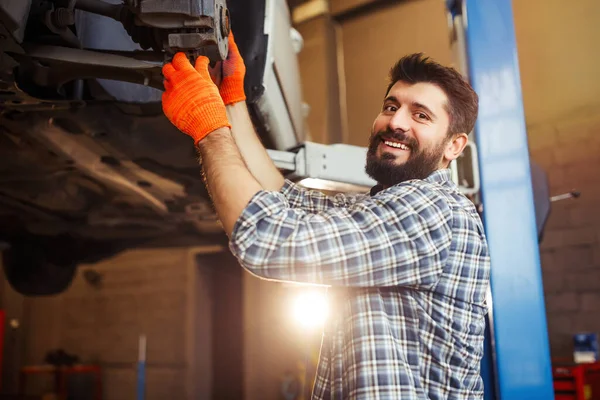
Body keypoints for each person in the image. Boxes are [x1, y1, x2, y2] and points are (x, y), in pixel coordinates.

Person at [161, 33, 491, 400]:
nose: (396, 122)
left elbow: (268, 239)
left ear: (454, 146)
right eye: (390, 106)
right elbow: (284, 198)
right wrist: (232, 100)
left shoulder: (432, 209)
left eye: (420, 115)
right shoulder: (387, 205)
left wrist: (209, 130)